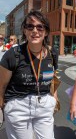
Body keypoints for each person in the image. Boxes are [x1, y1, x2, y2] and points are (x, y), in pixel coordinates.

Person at [0, 10, 58, 139]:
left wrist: (54, 99)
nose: (35, 31)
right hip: (18, 106)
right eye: (30, 26)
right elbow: (1, 86)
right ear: (25, 31)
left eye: (40, 27)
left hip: (44, 104)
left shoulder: (52, 53)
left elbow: (53, 78)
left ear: (46, 31)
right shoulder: (13, 54)